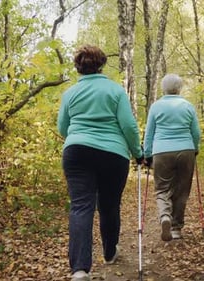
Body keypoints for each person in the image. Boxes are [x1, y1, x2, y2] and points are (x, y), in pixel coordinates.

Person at [57, 45, 143, 281]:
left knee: (80, 206)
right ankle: (109, 252)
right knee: (109, 204)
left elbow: (62, 127)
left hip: (76, 152)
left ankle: (79, 269)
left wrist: (79, 138)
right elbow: (128, 126)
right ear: (102, 64)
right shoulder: (115, 91)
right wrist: (138, 152)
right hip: (113, 153)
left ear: (79, 66)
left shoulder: (70, 93)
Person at [143, 73, 201, 241]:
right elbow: (196, 132)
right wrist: (195, 148)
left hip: (161, 151)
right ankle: (176, 228)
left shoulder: (156, 106)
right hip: (186, 150)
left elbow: (149, 133)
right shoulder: (188, 106)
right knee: (182, 190)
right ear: (179, 88)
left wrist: (147, 154)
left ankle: (164, 216)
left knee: (162, 188)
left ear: (163, 88)